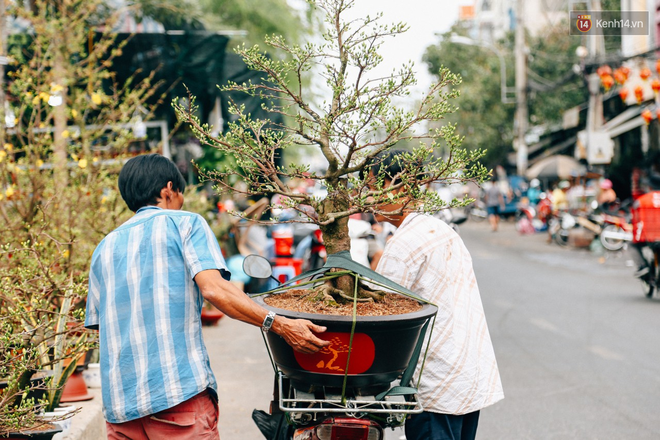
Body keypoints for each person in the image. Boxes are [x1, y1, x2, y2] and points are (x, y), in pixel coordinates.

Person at [85, 154, 329, 439]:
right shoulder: (185, 224)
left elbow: (103, 328)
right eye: (180, 194)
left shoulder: (104, 247)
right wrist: (281, 324)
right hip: (176, 396)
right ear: (168, 189)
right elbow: (215, 289)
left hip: (121, 408)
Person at [367, 151, 504, 440]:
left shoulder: (403, 244)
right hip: (466, 375)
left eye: (371, 188)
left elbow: (380, 315)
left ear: (400, 185)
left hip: (437, 386)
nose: (367, 199)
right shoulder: (441, 229)